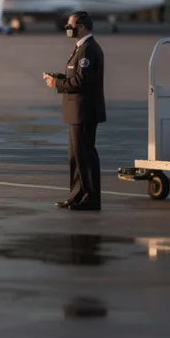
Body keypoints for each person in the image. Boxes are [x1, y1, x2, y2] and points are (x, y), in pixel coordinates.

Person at [43, 11, 105, 211]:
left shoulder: (88, 49)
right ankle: (77, 195)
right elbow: (76, 75)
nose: (67, 30)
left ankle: (90, 198)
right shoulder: (81, 48)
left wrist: (57, 83)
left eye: (70, 27)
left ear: (82, 27)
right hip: (76, 112)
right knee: (76, 157)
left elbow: (81, 81)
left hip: (84, 112)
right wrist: (59, 77)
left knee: (85, 156)